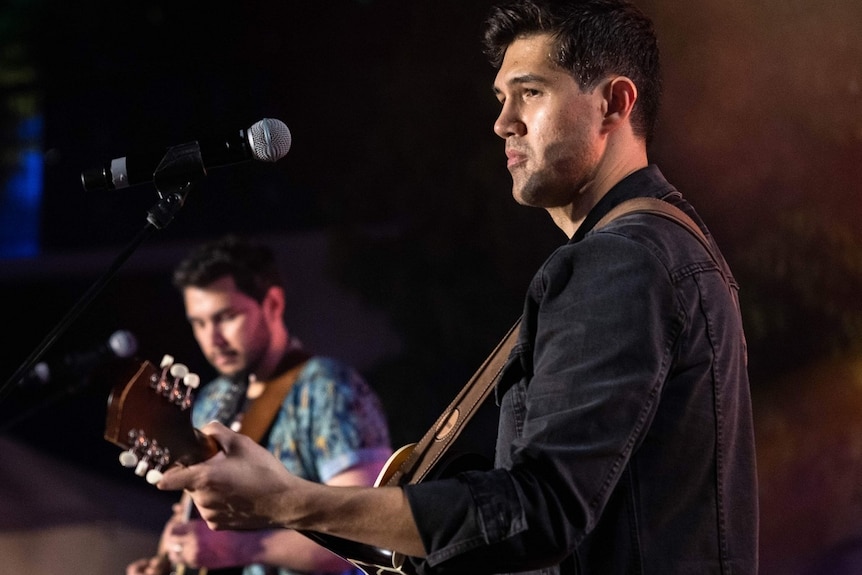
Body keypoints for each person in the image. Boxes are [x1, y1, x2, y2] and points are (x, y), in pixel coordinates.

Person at [157, 1, 759, 573]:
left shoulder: (621, 261)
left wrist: (286, 500)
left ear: (613, 103)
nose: (502, 122)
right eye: (501, 97)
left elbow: (538, 512)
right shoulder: (668, 245)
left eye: (530, 93)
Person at [126, 234, 393, 575]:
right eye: (199, 322)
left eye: (226, 317)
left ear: (273, 305)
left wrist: (244, 548)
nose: (213, 338)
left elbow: (367, 532)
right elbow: (193, 514)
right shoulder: (211, 400)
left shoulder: (329, 388)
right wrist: (165, 562)